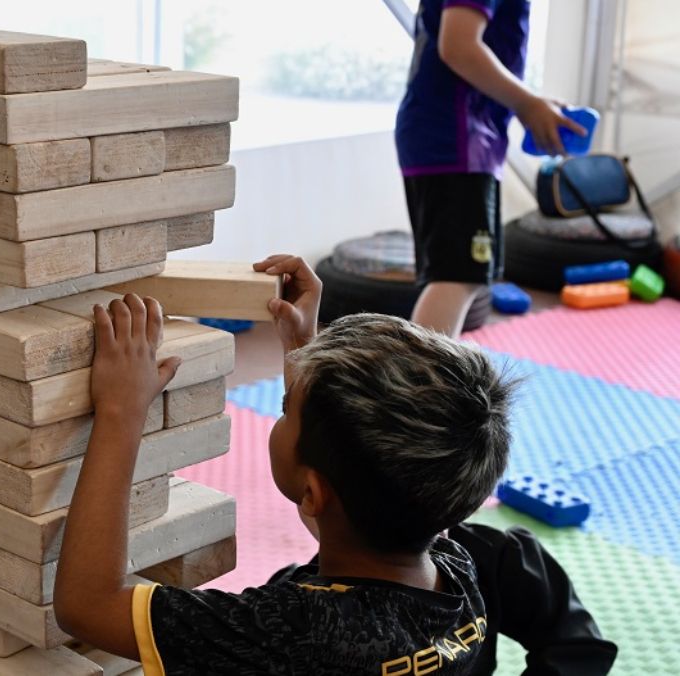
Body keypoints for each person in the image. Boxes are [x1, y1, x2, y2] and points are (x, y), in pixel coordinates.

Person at [53, 255, 617, 673]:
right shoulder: (467, 558)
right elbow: (578, 642)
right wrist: (305, 347)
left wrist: (122, 413)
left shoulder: (291, 634)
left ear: (314, 494)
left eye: (284, 409)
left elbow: (87, 604)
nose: (282, 404)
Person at [396, 0, 586, 336]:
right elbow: (458, 47)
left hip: (457, 138)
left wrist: (533, 104)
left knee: (459, 274)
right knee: (457, 275)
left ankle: (426, 376)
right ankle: (420, 384)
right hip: (454, 138)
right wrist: (526, 104)